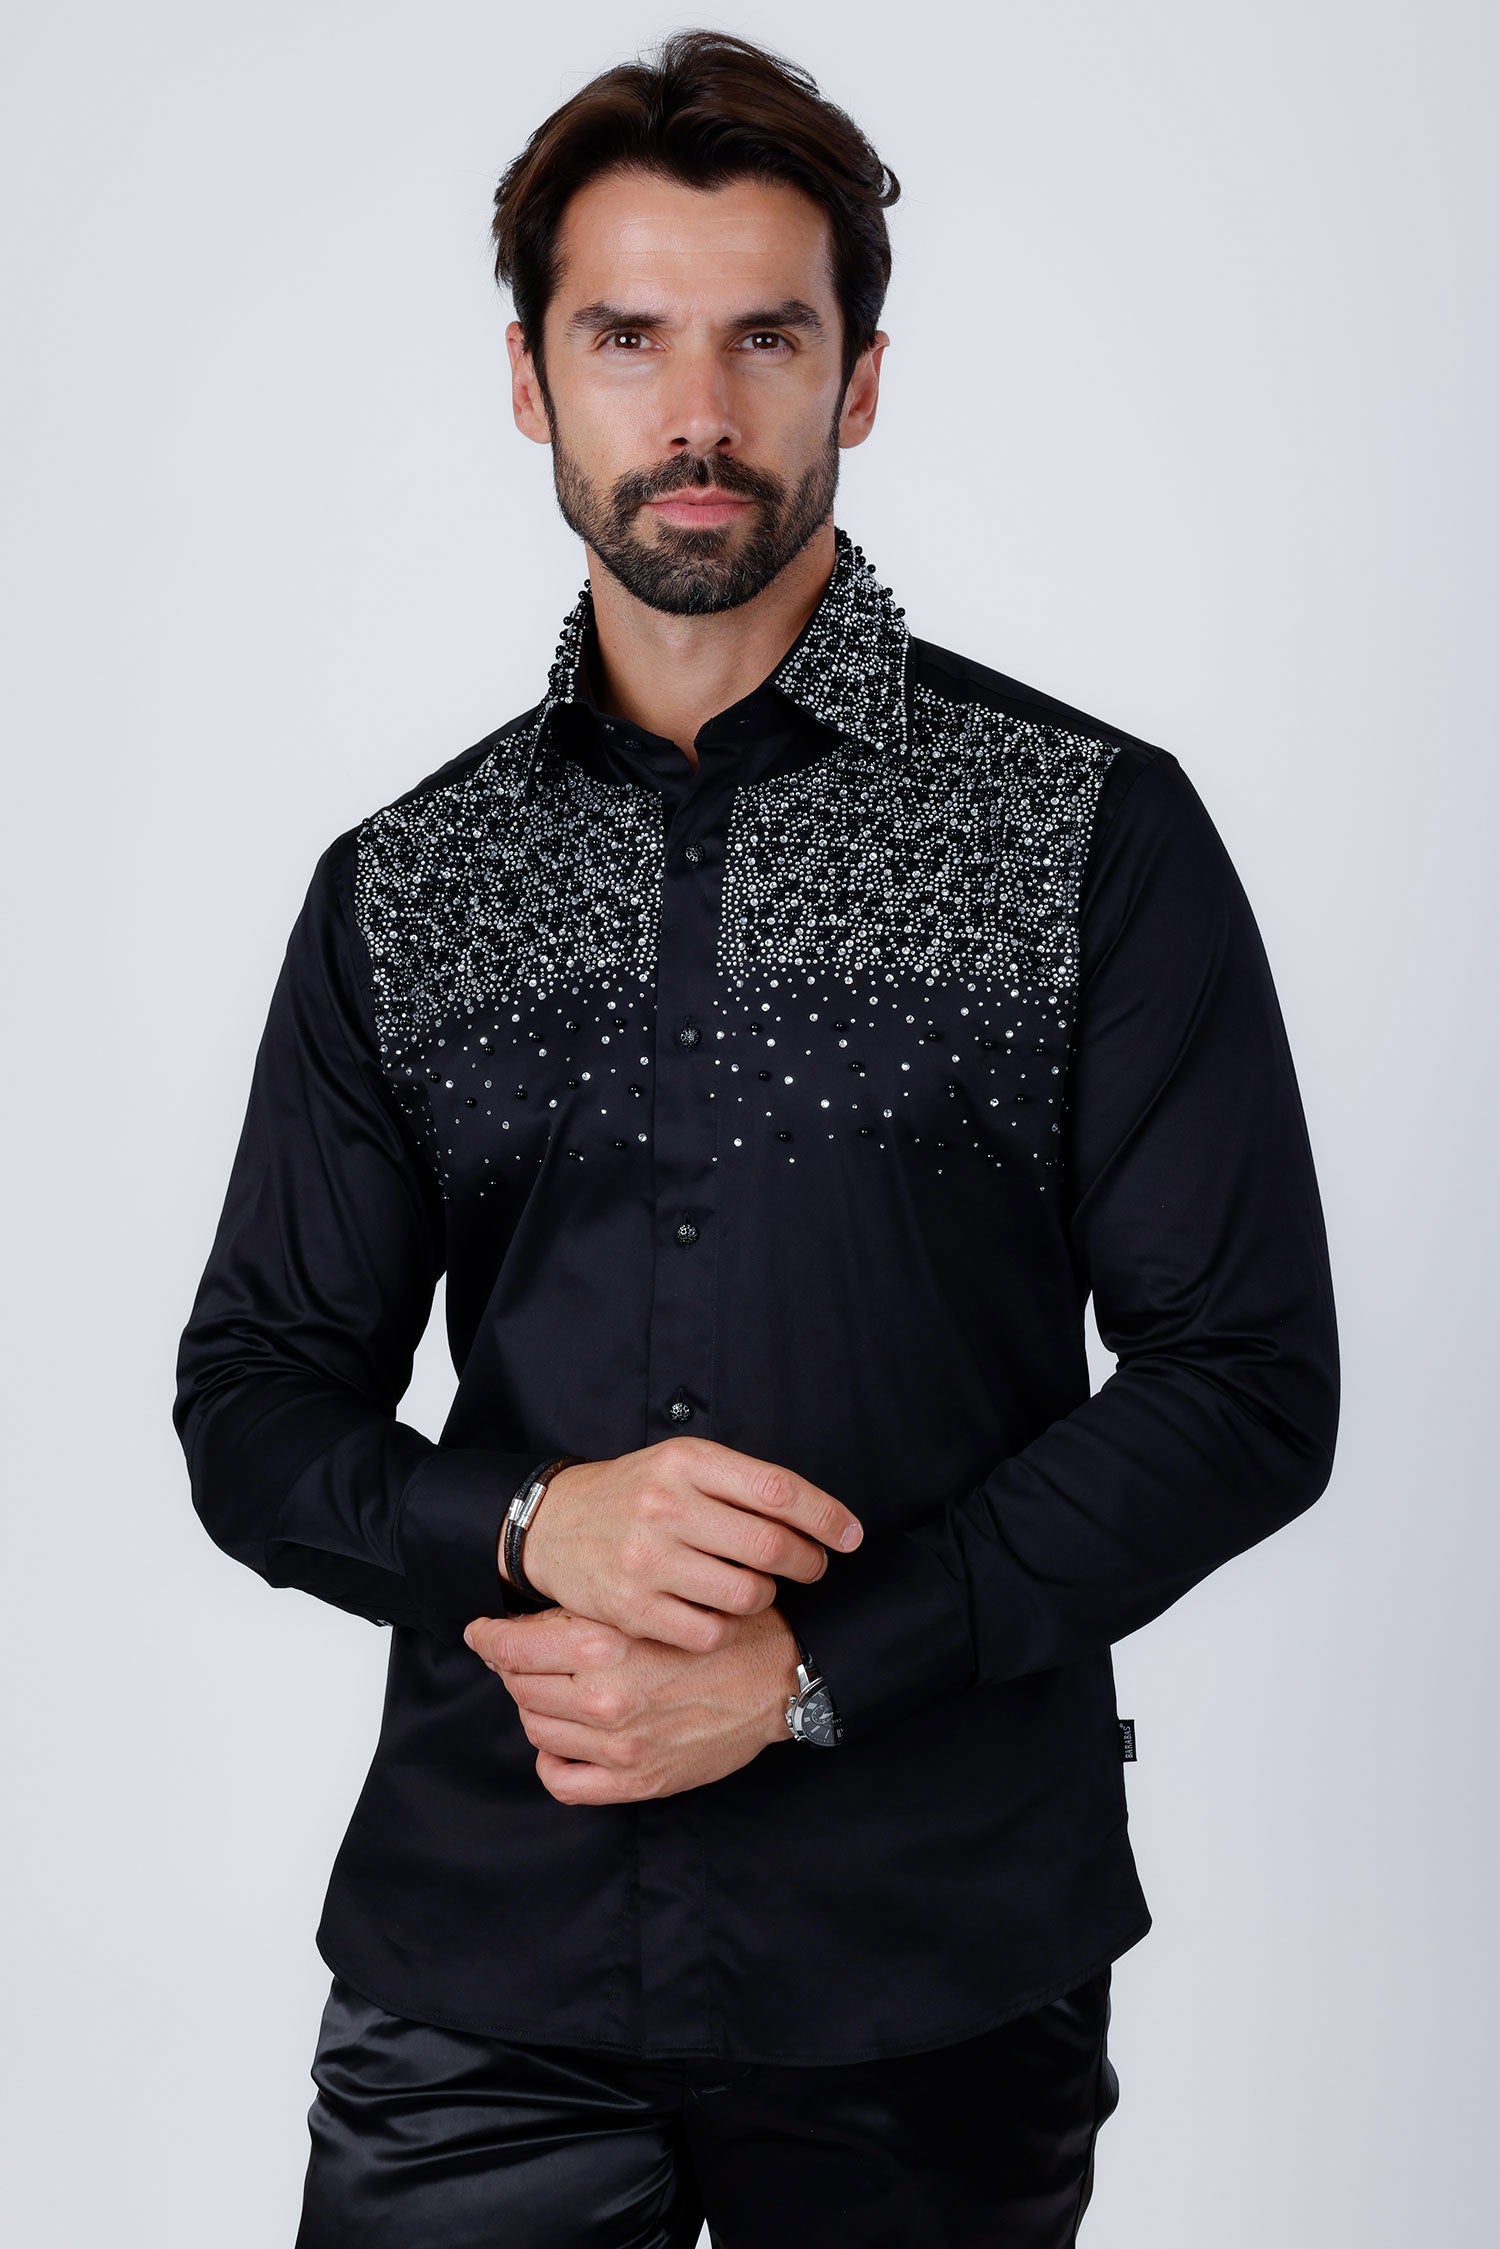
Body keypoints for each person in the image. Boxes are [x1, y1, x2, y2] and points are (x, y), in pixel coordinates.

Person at [173, 26, 1340, 2247]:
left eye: (765, 339)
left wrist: (808, 1674)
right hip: (485, 1950)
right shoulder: (406, 887)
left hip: (935, 1955)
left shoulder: (1088, 832)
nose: (694, 412)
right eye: (626, 337)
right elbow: (251, 1405)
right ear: (531, 382)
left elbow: (1248, 1385)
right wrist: (538, 1519)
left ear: (858, 381)